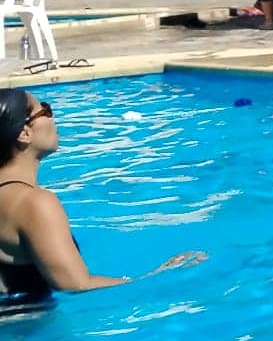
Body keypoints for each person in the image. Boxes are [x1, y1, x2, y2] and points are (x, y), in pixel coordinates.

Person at [1, 89, 203, 301]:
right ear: (25, 133)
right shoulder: (34, 203)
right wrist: (158, 276)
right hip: (27, 330)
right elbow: (76, 284)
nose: (53, 118)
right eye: (46, 111)